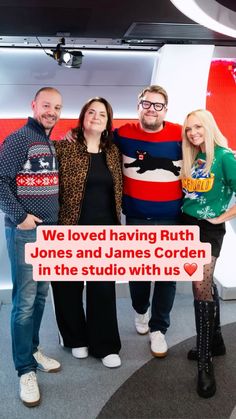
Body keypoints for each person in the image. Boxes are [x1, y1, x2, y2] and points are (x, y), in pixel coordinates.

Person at [0, 87, 62, 407]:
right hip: (26, 232)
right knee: (24, 302)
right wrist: (21, 216)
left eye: (57, 107)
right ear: (34, 105)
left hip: (49, 234)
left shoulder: (47, 140)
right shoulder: (21, 137)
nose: (52, 111)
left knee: (39, 296)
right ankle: (24, 369)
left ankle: (33, 350)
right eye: (46, 105)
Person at [51, 97, 123, 368]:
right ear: (82, 117)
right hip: (68, 228)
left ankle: (104, 344)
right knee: (67, 287)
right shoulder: (63, 147)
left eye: (101, 113)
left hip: (105, 231)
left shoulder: (113, 151)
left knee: (102, 289)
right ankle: (73, 338)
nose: (95, 116)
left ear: (107, 122)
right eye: (90, 112)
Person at [113, 85, 182, 357]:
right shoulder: (123, 134)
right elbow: (94, 142)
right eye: (146, 103)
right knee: (139, 272)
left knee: (168, 276)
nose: (151, 109)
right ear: (138, 105)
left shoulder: (179, 133)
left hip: (172, 218)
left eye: (158, 105)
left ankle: (159, 329)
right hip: (137, 216)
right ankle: (141, 311)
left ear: (166, 109)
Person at [180, 109, 236, 398]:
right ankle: (215, 340)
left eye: (198, 127)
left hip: (208, 230)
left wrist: (221, 217)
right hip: (186, 225)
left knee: (199, 286)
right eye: (189, 129)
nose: (192, 133)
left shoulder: (225, 157)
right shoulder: (195, 156)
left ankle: (205, 363)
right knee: (205, 281)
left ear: (209, 126)